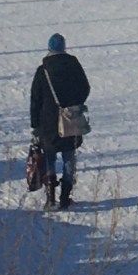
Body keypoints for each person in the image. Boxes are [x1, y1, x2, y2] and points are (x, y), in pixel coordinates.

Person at [29, 33, 91, 210]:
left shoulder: (43, 70)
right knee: (69, 157)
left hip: (47, 121)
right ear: (64, 48)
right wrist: (75, 104)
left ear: (49, 48)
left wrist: (35, 123)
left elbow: (35, 98)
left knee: (49, 157)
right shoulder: (74, 66)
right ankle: (65, 197)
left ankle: (50, 198)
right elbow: (85, 88)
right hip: (71, 117)